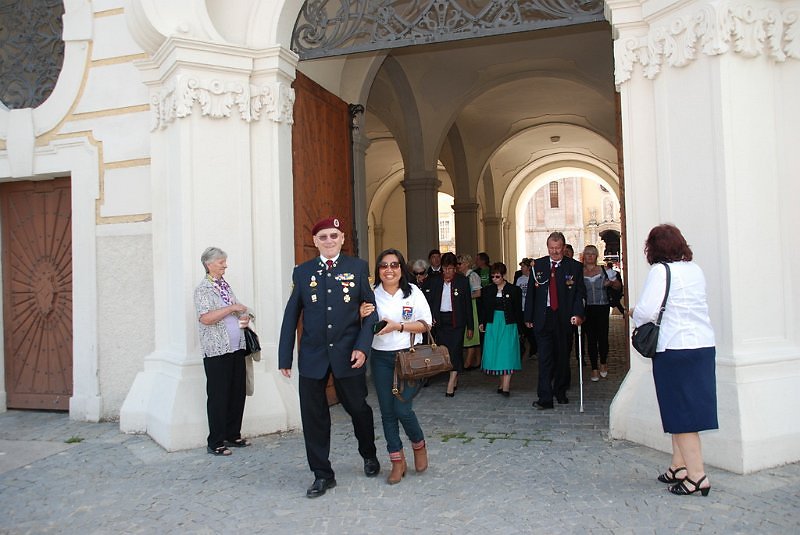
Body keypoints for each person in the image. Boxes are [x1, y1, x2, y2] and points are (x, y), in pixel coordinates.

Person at [278, 217, 380, 498]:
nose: (329, 241)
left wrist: (362, 347)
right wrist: (285, 357)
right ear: (315, 242)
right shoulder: (302, 272)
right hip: (313, 355)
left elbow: (372, 314)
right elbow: (291, 316)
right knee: (314, 417)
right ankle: (322, 474)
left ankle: (368, 453)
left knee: (358, 408)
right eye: (323, 237)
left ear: (343, 238)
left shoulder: (357, 268)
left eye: (334, 236)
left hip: (349, 354)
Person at [632, 224, 716, 497]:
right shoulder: (695, 269)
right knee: (685, 409)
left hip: (675, 348)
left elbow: (646, 311)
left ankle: (697, 476)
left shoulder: (661, 271)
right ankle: (678, 466)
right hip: (702, 345)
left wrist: (634, 312)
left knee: (680, 414)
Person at [358, 249, 433, 485]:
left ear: (402, 268)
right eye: (383, 266)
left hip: (408, 358)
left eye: (394, 265)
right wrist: (359, 314)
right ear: (378, 271)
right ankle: (397, 461)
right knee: (387, 412)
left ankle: (419, 444)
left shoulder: (413, 293)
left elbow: (426, 324)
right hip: (381, 358)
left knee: (402, 409)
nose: (389, 270)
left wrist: (399, 326)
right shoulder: (371, 295)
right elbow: (360, 327)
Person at [194, 247, 253, 456]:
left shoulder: (224, 286)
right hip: (217, 351)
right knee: (219, 396)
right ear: (209, 264)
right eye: (221, 262)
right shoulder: (203, 290)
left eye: (224, 261)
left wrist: (243, 318)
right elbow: (206, 318)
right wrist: (232, 309)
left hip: (236, 348)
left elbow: (236, 311)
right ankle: (216, 441)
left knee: (237, 393)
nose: (225, 265)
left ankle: (233, 434)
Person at [524, 231, 586, 409]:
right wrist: (528, 316)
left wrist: (578, 314)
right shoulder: (539, 265)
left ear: (564, 248)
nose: (555, 252)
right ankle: (545, 397)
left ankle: (560, 391)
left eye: (558, 249)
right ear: (547, 247)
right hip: (544, 318)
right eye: (551, 248)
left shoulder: (573, 267)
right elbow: (531, 294)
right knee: (544, 359)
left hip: (564, 318)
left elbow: (580, 294)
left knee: (562, 358)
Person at [422, 252, 473, 396]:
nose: (447, 272)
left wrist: (471, 326)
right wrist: (431, 317)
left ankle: (451, 382)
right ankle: (454, 376)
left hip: (457, 321)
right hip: (441, 321)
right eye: (444, 269)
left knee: (456, 350)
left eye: (450, 269)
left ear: (455, 269)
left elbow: (467, 305)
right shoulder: (435, 281)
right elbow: (430, 302)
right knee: (445, 351)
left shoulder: (462, 281)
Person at [478, 262, 523, 396]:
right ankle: (502, 383)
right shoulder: (487, 290)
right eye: (492, 277)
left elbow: (518, 310)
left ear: (503, 275)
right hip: (492, 324)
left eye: (497, 276)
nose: (495, 279)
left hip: (508, 324)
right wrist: (482, 322)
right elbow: (483, 309)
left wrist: (521, 328)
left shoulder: (514, 290)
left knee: (507, 353)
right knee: (495, 354)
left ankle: (506, 387)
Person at [582, 245, 621, 381]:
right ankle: (594, 368)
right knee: (591, 339)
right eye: (587, 254)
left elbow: (618, 285)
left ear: (597, 256)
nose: (590, 256)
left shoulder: (605, 270)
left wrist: (610, 283)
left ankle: (603, 362)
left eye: (593, 254)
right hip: (588, 308)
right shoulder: (580, 272)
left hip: (602, 307)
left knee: (603, 337)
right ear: (584, 256)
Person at [457, 253, 482, 370]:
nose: (458, 266)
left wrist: (464, 297)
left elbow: (478, 293)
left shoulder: (473, 276)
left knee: (471, 333)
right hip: (464, 305)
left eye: (460, 263)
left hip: (471, 306)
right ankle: (477, 360)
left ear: (466, 264)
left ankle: (467, 363)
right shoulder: (462, 276)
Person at [514, 258, 537, 359]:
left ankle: (534, 351)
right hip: (521, 308)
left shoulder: (533, 278)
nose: (521, 268)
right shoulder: (520, 279)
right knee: (523, 331)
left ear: (528, 267)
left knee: (532, 331)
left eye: (523, 266)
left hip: (532, 308)